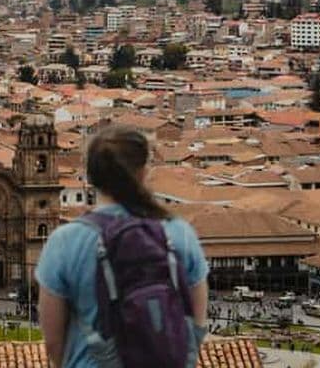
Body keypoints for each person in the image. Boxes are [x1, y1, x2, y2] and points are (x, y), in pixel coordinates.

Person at [36, 126, 209, 368]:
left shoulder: (64, 242)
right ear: (143, 172)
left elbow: (54, 343)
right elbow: (197, 325)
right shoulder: (179, 233)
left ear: (91, 177)